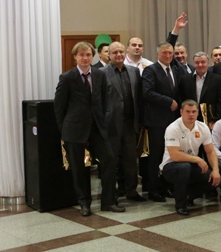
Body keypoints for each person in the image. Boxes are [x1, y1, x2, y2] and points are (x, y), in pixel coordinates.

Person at [54, 42, 122, 216]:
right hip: (74, 129)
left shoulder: (100, 75)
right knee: (79, 168)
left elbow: (105, 100)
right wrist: (65, 129)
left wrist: (103, 121)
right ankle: (84, 203)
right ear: (75, 57)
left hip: (97, 128)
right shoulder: (67, 77)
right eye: (81, 55)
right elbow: (59, 107)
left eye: (88, 55)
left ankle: (108, 201)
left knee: (109, 160)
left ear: (93, 56)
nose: (85, 58)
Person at [141, 13, 188, 202]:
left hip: (174, 121)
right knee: (156, 156)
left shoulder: (176, 69)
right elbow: (147, 92)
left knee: (171, 154)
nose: (168, 55)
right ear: (157, 54)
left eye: (170, 53)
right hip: (157, 122)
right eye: (164, 53)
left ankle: (167, 186)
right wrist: (169, 102)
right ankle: (153, 189)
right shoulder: (150, 70)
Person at [160, 100, 221, 215]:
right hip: (170, 166)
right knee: (184, 168)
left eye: (193, 112)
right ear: (181, 112)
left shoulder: (202, 127)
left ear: (198, 112)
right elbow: (175, 155)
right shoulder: (173, 128)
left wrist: (216, 170)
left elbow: (210, 151)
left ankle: (189, 196)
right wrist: (197, 159)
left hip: (190, 165)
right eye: (187, 111)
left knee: (215, 179)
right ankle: (180, 205)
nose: (191, 115)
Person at [104, 41, 145, 202]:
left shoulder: (134, 71)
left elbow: (138, 96)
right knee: (111, 161)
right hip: (111, 125)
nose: (119, 55)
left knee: (130, 160)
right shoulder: (101, 73)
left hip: (130, 123)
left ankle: (131, 191)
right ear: (109, 55)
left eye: (121, 51)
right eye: (115, 52)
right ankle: (111, 194)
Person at [178, 52, 221, 128]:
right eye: (197, 62)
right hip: (190, 119)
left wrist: (217, 119)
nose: (200, 65)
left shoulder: (217, 79)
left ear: (208, 63)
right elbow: (181, 100)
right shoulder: (184, 79)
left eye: (203, 62)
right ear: (194, 64)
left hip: (210, 121)